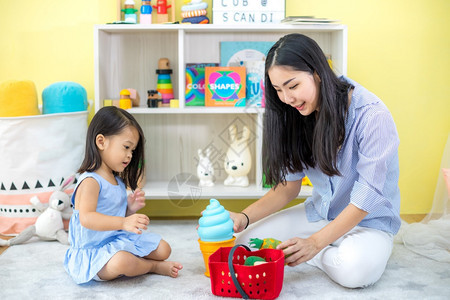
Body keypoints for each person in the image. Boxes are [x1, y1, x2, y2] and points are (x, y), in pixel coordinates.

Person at [230, 33, 400, 289]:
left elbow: (366, 198)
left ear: (317, 72)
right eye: (278, 90)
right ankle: (326, 246)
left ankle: (323, 251)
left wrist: (314, 244)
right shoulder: (294, 113)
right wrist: (244, 217)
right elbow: (288, 187)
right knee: (243, 245)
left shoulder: (372, 115)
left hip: (368, 223)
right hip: (322, 214)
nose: (287, 99)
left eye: (293, 86)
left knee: (354, 271)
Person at [64, 106, 182, 284]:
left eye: (133, 151)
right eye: (126, 147)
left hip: (115, 239)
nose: (129, 156)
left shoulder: (117, 180)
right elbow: (87, 218)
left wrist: (129, 209)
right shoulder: (90, 181)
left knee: (163, 249)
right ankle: (152, 267)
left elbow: (113, 215)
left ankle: (142, 262)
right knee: (122, 261)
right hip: (93, 250)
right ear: (101, 142)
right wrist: (124, 222)